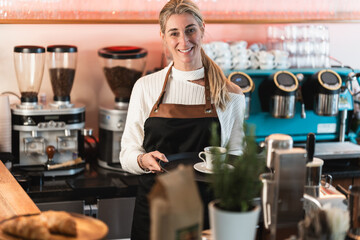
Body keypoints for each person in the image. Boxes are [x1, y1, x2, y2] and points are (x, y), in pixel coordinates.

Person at [120, 0, 246, 239]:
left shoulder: (230, 95)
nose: (184, 41)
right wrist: (143, 159)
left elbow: (237, 154)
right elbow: (127, 153)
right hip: (156, 209)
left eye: (190, 30)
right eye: (174, 33)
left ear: (202, 29)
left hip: (208, 210)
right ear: (163, 37)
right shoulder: (146, 87)